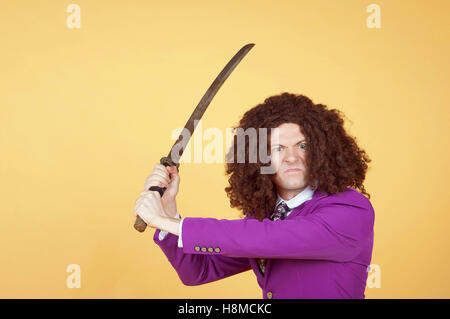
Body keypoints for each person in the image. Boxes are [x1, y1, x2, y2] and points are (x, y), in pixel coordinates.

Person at [134, 92, 374, 299]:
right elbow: (198, 271)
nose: (292, 157)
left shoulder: (351, 209)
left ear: (323, 151)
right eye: (278, 148)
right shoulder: (266, 217)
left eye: (303, 146)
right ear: (259, 159)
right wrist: (167, 209)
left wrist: (167, 222)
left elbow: (270, 238)